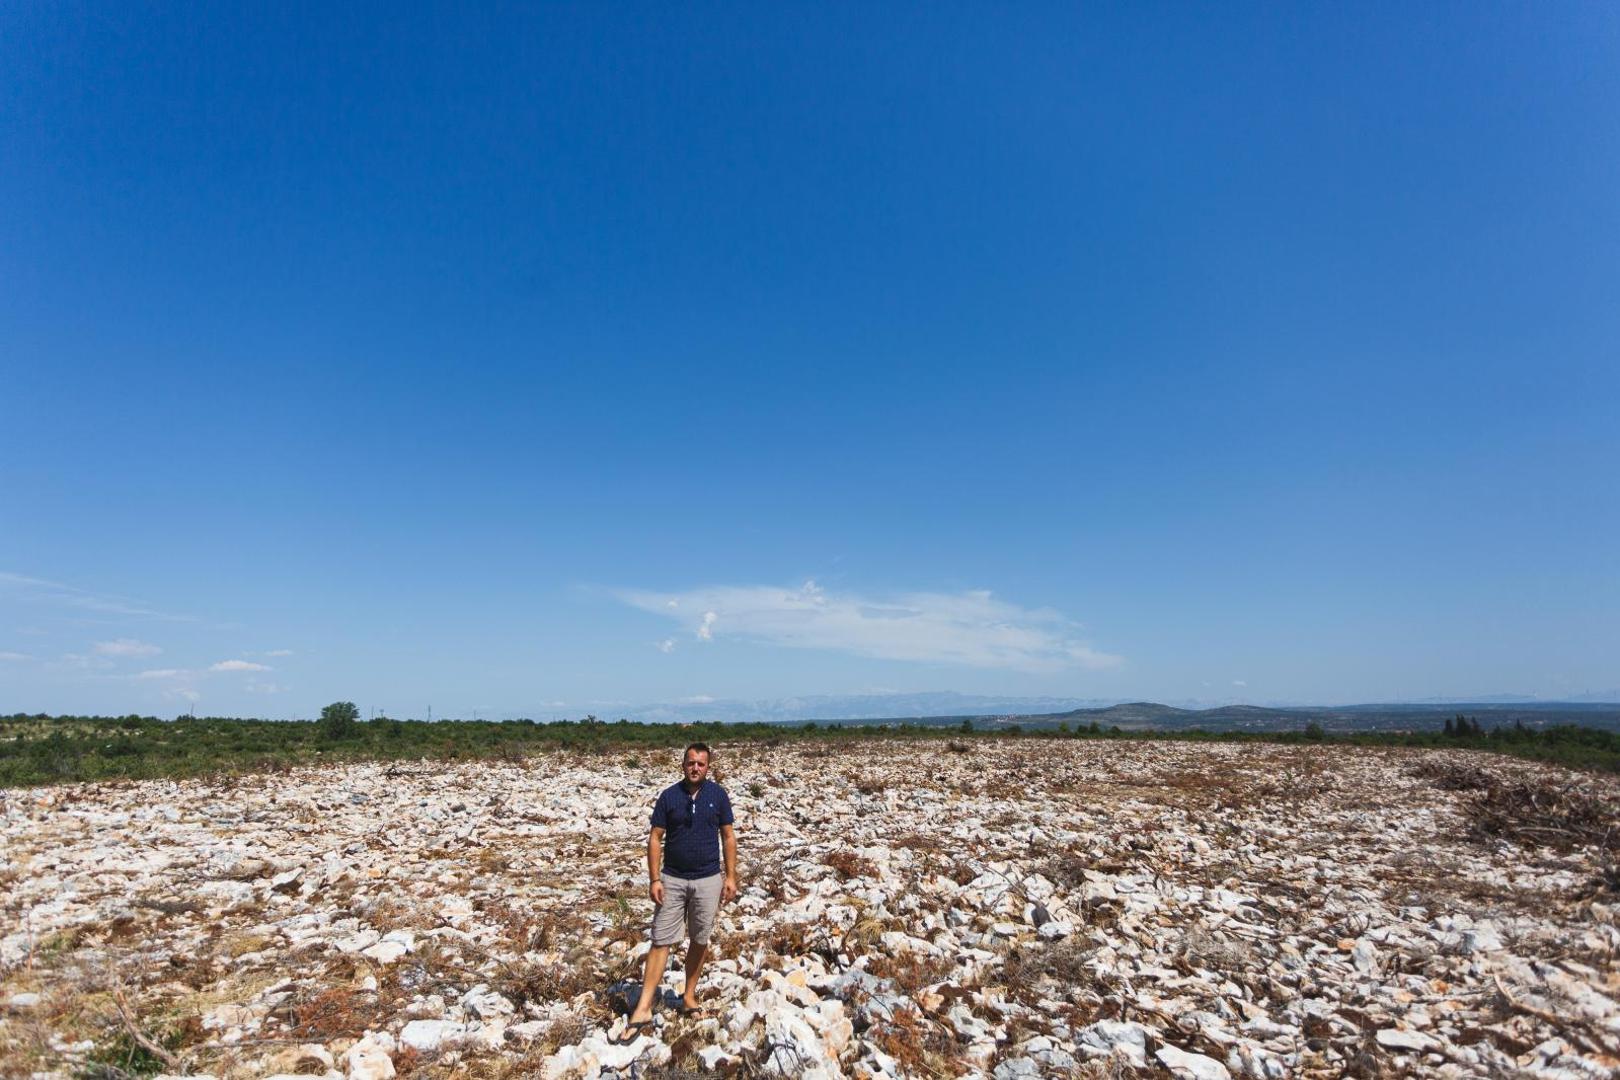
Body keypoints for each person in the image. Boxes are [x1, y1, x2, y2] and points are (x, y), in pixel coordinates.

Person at [624, 742, 738, 1032]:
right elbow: (654, 838)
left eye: (701, 763)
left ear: (708, 767)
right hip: (672, 879)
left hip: (708, 879)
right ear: (682, 764)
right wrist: (654, 879)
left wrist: (731, 876)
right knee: (661, 939)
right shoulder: (669, 797)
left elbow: (727, 836)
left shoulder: (718, 795)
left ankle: (688, 996)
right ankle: (644, 1006)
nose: (695, 768)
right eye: (690, 763)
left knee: (700, 939)